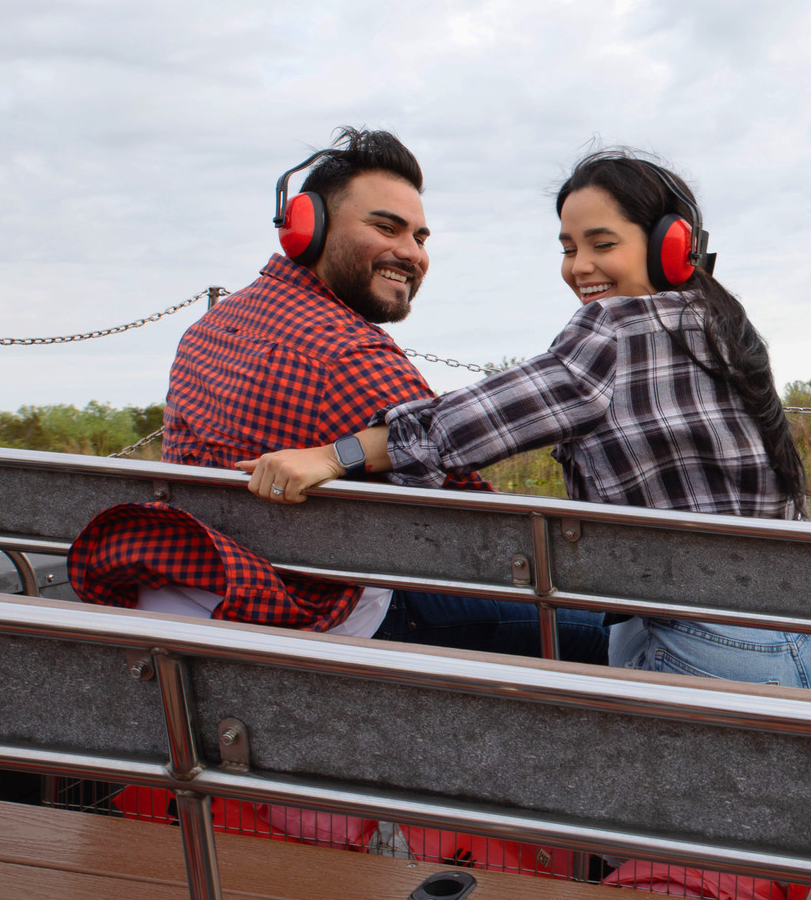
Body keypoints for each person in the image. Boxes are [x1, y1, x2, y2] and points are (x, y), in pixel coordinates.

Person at [239, 148, 811, 696]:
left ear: (670, 246)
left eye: (602, 244)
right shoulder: (719, 322)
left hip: (731, 654)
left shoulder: (611, 329)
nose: (579, 267)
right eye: (569, 247)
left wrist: (335, 457)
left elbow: (464, 428)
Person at [147, 126, 606, 662]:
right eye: (386, 227)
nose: (411, 253)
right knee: (604, 625)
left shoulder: (211, 326)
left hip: (191, 587)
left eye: (420, 237)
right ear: (308, 227)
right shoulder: (350, 355)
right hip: (310, 612)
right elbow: (484, 538)